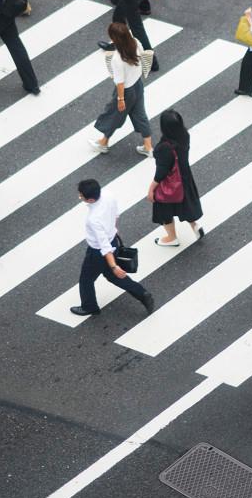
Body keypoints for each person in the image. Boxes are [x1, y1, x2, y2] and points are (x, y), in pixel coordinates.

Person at [69, 178, 154, 317]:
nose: (80, 197)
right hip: (113, 240)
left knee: (86, 279)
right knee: (112, 276)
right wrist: (113, 228)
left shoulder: (93, 219)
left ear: (90, 200)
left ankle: (89, 306)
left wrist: (114, 266)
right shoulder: (108, 194)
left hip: (97, 252)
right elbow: (115, 214)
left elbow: (103, 246)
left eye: (81, 196)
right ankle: (142, 293)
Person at [88, 22, 151, 157]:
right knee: (140, 115)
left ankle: (103, 143)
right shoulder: (135, 42)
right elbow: (143, 55)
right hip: (138, 85)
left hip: (126, 92)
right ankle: (148, 146)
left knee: (113, 115)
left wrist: (120, 99)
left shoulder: (117, 59)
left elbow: (120, 83)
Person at [148, 109, 203, 247]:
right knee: (185, 202)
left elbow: (161, 171)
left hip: (170, 180)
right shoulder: (184, 136)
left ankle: (172, 237)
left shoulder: (164, 148)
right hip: (184, 176)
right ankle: (195, 226)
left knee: (163, 208)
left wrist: (151, 188)